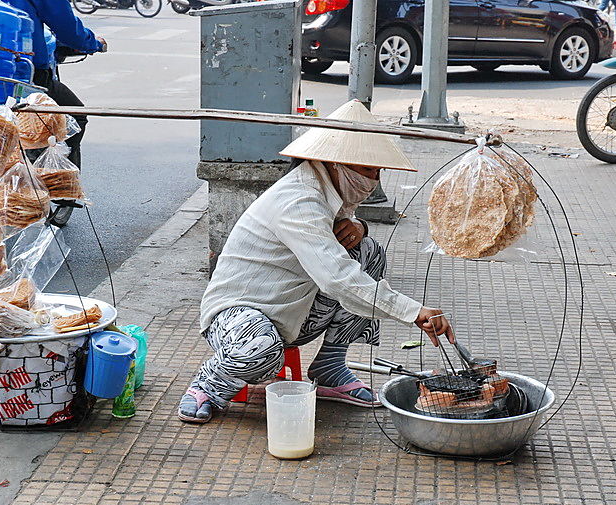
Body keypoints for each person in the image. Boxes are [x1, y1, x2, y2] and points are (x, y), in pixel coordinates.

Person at [178, 100, 455, 424]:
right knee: (260, 350)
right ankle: (209, 384)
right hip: (237, 316)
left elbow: (342, 247)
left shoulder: (329, 190)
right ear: (337, 163)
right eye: (368, 170)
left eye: (378, 171)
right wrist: (413, 312)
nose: (374, 180)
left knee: (368, 252)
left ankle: (330, 367)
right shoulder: (298, 200)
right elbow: (337, 279)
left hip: (296, 313)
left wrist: (360, 226)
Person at [3, 0, 107, 165]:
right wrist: (93, 43)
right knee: (74, 115)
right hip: (24, 75)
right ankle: (61, 184)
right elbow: (69, 31)